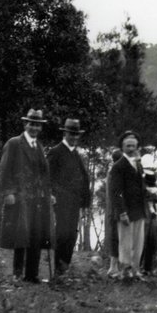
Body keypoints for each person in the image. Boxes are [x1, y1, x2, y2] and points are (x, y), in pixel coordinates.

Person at [0, 108, 55, 284]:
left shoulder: (39, 146)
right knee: (20, 235)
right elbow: (4, 170)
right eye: (32, 124)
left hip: (37, 198)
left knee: (36, 235)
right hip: (20, 197)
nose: (35, 128)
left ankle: (32, 275)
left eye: (38, 125)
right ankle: (16, 274)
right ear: (25, 124)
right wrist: (8, 192)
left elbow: (44, 174)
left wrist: (48, 193)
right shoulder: (14, 143)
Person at [46, 118, 92, 276]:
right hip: (61, 201)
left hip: (74, 202)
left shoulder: (75, 154)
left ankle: (64, 267)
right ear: (64, 133)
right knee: (62, 233)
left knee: (72, 234)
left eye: (76, 134)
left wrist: (85, 202)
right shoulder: (56, 152)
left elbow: (84, 179)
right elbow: (48, 177)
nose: (73, 137)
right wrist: (54, 194)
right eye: (70, 134)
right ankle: (56, 267)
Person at [107, 131, 148, 281]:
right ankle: (125, 272)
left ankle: (136, 270)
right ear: (122, 147)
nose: (131, 148)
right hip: (127, 211)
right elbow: (115, 192)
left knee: (138, 243)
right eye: (128, 146)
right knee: (126, 243)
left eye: (133, 145)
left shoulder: (138, 164)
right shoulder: (118, 166)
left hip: (139, 210)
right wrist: (122, 212)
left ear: (138, 146)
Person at [140, 152, 157, 277]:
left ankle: (148, 268)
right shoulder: (141, 179)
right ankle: (140, 267)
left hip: (152, 212)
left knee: (151, 240)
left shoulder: (152, 179)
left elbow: (155, 196)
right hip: (144, 212)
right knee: (143, 240)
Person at [104, 148, 123, 278]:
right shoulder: (115, 173)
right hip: (116, 210)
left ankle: (114, 267)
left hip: (112, 210)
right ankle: (113, 267)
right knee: (116, 238)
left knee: (115, 238)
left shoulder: (111, 172)